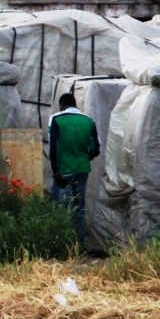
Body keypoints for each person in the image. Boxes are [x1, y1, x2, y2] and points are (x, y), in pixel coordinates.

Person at [48, 93, 100, 248]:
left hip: (63, 171)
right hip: (82, 170)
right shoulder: (89, 120)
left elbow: (53, 147)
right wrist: (85, 158)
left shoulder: (56, 119)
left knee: (60, 209)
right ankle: (79, 245)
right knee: (79, 207)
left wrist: (55, 171)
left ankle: (59, 245)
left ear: (62, 104)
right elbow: (96, 148)